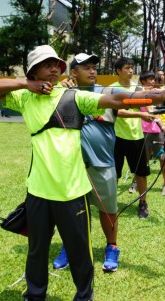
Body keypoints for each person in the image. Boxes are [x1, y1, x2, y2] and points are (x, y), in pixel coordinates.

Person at [0, 45, 165, 301]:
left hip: (73, 191)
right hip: (38, 191)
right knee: (37, 249)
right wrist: (26, 84)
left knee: (80, 252)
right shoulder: (23, 98)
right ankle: (35, 295)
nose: (54, 68)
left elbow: (117, 100)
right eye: (46, 64)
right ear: (33, 71)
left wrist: (160, 97)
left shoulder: (74, 96)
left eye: (56, 64)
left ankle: (84, 297)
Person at [52, 53, 122, 273]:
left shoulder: (108, 92)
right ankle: (71, 246)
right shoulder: (62, 93)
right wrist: (58, 87)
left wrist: (164, 93)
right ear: (73, 72)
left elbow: (136, 97)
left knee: (108, 209)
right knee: (73, 210)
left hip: (102, 162)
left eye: (94, 67)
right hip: (71, 166)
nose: (92, 71)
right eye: (86, 68)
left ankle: (112, 246)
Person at [111, 57, 156, 218]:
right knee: (114, 173)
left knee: (141, 173)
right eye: (127, 68)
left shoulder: (137, 88)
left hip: (136, 137)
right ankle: (111, 204)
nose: (131, 71)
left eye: (132, 68)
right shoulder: (111, 89)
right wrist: (140, 114)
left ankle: (143, 202)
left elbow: (149, 104)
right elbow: (117, 111)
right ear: (118, 71)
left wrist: (152, 103)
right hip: (116, 137)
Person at [139, 71, 165, 196]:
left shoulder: (156, 92)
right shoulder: (139, 93)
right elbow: (150, 109)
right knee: (143, 159)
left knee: (162, 157)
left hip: (156, 131)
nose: (153, 81)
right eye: (149, 79)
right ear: (143, 81)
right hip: (143, 130)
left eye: (153, 79)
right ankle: (137, 183)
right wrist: (162, 125)